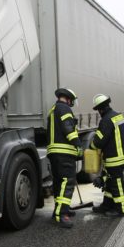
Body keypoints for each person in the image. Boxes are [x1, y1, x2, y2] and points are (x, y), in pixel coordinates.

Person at [47, 88, 83, 228]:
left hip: (54, 152)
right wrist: (78, 145)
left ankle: (60, 209)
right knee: (67, 182)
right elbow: (69, 129)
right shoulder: (65, 109)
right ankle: (61, 215)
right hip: (64, 152)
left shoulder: (54, 109)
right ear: (68, 98)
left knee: (58, 183)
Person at [89, 94, 124, 217]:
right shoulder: (117, 116)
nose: (99, 113)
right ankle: (106, 205)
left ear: (100, 109)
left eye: (98, 110)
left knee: (117, 183)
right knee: (110, 183)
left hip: (114, 159)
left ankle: (121, 209)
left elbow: (99, 141)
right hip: (120, 156)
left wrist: (91, 147)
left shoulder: (106, 120)